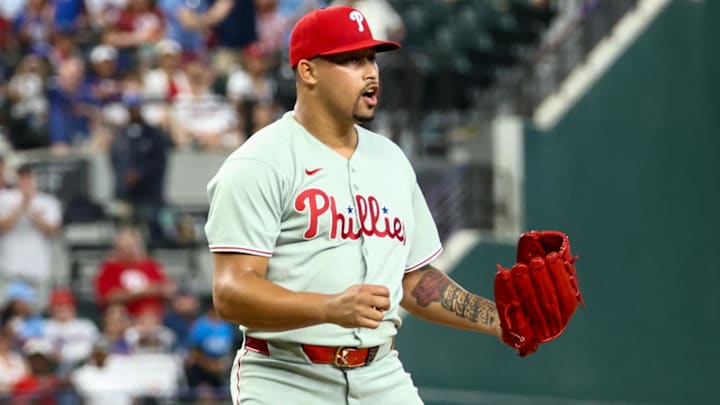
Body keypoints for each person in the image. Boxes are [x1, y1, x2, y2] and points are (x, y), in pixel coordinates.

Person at [204, 6, 502, 404]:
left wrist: (497, 318)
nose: (370, 72)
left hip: (381, 376)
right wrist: (329, 307)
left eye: (371, 59)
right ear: (308, 72)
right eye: (351, 60)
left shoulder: (392, 160)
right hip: (286, 377)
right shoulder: (259, 163)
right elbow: (230, 292)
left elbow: (415, 281)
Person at [0, 164, 62, 307]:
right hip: (9, 267)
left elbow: (53, 229)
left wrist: (32, 214)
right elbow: (3, 225)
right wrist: (23, 204)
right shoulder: (4, 198)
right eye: (22, 178)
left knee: (36, 311)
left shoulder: (48, 201)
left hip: (37, 268)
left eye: (29, 178)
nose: (25, 182)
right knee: (7, 312)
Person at [95, 226, 177, 318]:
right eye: (124, 247)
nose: (129, 250)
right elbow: (107, 297)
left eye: (132, 246)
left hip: (153, 319)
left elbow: (167, 288)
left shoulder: (151, 265)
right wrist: (142, 291)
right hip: (124, 320)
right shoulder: (109, 268)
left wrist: (165, 290)